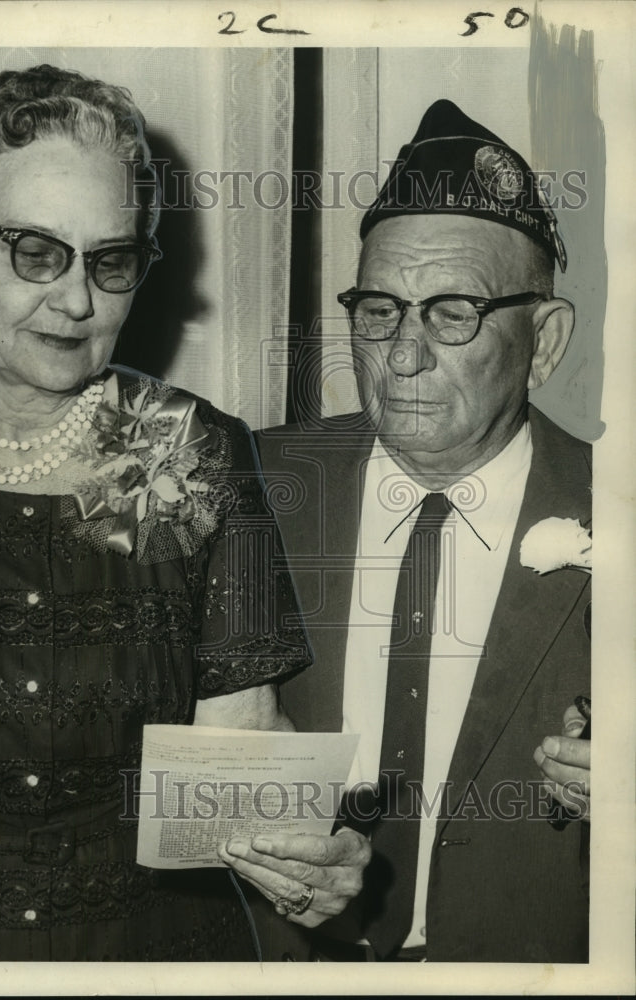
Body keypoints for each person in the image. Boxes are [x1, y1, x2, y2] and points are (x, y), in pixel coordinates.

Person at [0, 64, 372, 962]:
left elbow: (239, 750)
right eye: (35, 251)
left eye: (109, 261)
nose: (77, 301)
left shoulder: (170, 449)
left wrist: (310, 861)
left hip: (149, 952)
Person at [222, 100, 592, 962]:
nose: (401, 355)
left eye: (452, 311)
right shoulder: (245, 484)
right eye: (378, 309)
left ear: (543, 341)